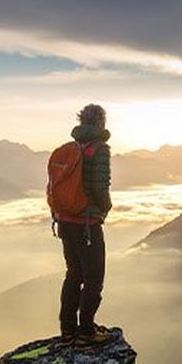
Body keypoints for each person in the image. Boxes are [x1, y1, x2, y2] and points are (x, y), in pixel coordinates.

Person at [54, 104, 115, 347]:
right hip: (87, 223)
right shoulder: (99, 150)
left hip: (65, 220)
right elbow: (101, 187)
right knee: (93, 277)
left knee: (73, 274)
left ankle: (68, 330)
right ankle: (87, 332)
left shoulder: (70, 149)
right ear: (101, 123)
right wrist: (106, 208)